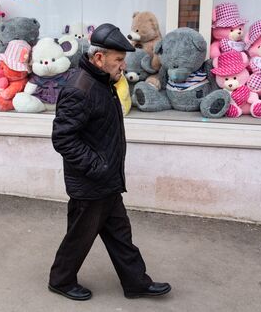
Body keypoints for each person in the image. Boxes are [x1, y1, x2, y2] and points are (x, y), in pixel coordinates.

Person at [48, 23, 171, 301]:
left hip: (107, 180)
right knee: (79, 237)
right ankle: (61, 280)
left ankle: (136, 282)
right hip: (91, 183)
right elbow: (63, 139)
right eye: (118, 60)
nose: (122, 65)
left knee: (120, 235)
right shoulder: (79, 89)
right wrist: (97, 166)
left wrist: (106, 169)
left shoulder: (102, 83)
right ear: (99, 58)